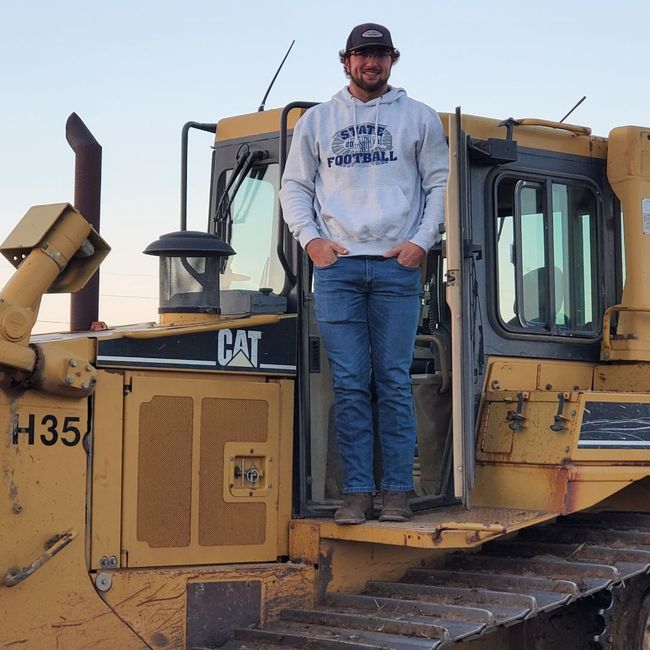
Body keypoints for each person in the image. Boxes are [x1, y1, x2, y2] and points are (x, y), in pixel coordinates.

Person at [279, 22, 448, 524]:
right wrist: (312, 241)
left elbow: (439, 184)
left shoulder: (418, 118)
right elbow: (294, 188)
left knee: (392, 380)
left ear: (392, 60)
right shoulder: (316, 121)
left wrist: (420, 243)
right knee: (351, 383)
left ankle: (396, 491)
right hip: (338, 270)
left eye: (379, 55)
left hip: (397, 267)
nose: (370, 64)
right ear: (346, 61)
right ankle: (356, 491)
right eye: (361, 55)